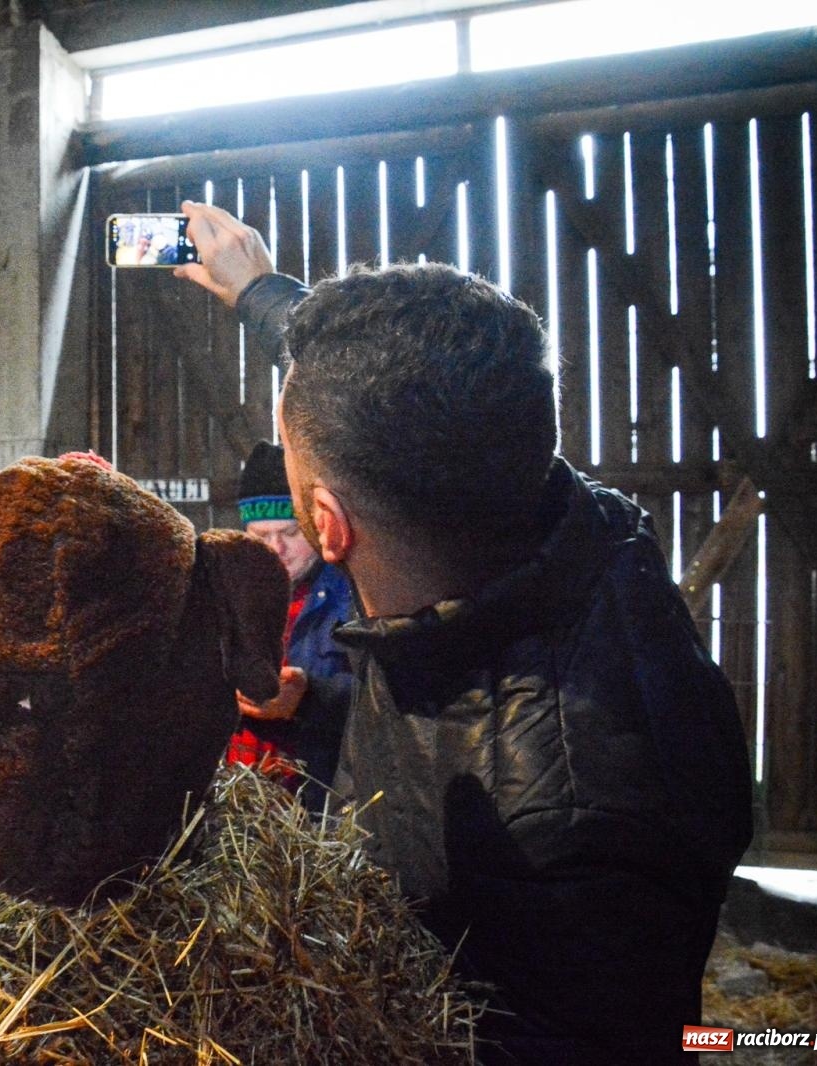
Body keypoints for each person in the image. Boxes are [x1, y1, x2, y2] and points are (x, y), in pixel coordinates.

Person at [178, 200, 753, 1064]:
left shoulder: (568, 839)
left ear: (327, 526)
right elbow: (394, 388)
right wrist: (260, 292)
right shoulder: (539, 512)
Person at [226, 439, 354, 804]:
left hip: (315, 803)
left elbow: (383, 700)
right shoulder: (229, 595)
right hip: (235, 797)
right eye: (261, 535)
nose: (276, 548)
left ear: (315, 525)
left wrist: (309, 697)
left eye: (290, 533)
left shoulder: (354, 595)